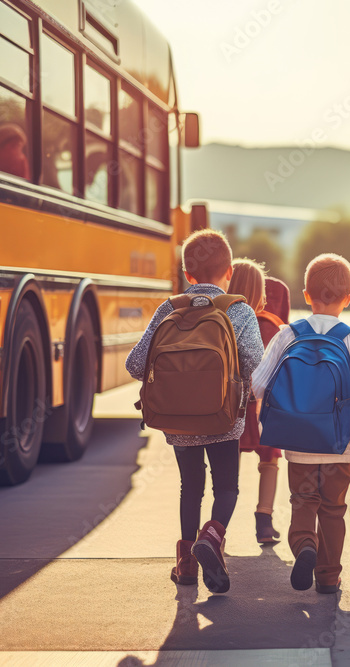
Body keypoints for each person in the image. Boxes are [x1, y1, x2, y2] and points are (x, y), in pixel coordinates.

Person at [125, 229, 263, 593]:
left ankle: (186, 565)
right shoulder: (240, 310)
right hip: (223, 418)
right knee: (227, 487)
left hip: (177, 420)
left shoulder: (169, 309)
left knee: (191, 488)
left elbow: (135, 365)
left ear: (187, 274)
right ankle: (213, 537)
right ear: (229, 271)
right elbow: (254, 364)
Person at [251, 254, 350, 595]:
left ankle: (304, 546)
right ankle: (329, 577)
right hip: (339, 444)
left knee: (302, 501)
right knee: (333, 509)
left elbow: (258, 384)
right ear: (348, 299)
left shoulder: (288, 335)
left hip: (297, 441)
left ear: (306, 294)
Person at [229, 261, 287, 545]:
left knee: (229, 460)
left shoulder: (224, 318)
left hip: (232, 405)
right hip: (265, 404)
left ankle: (220, 526)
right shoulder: (273, 321)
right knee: (270, 458)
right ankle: (264, 520)